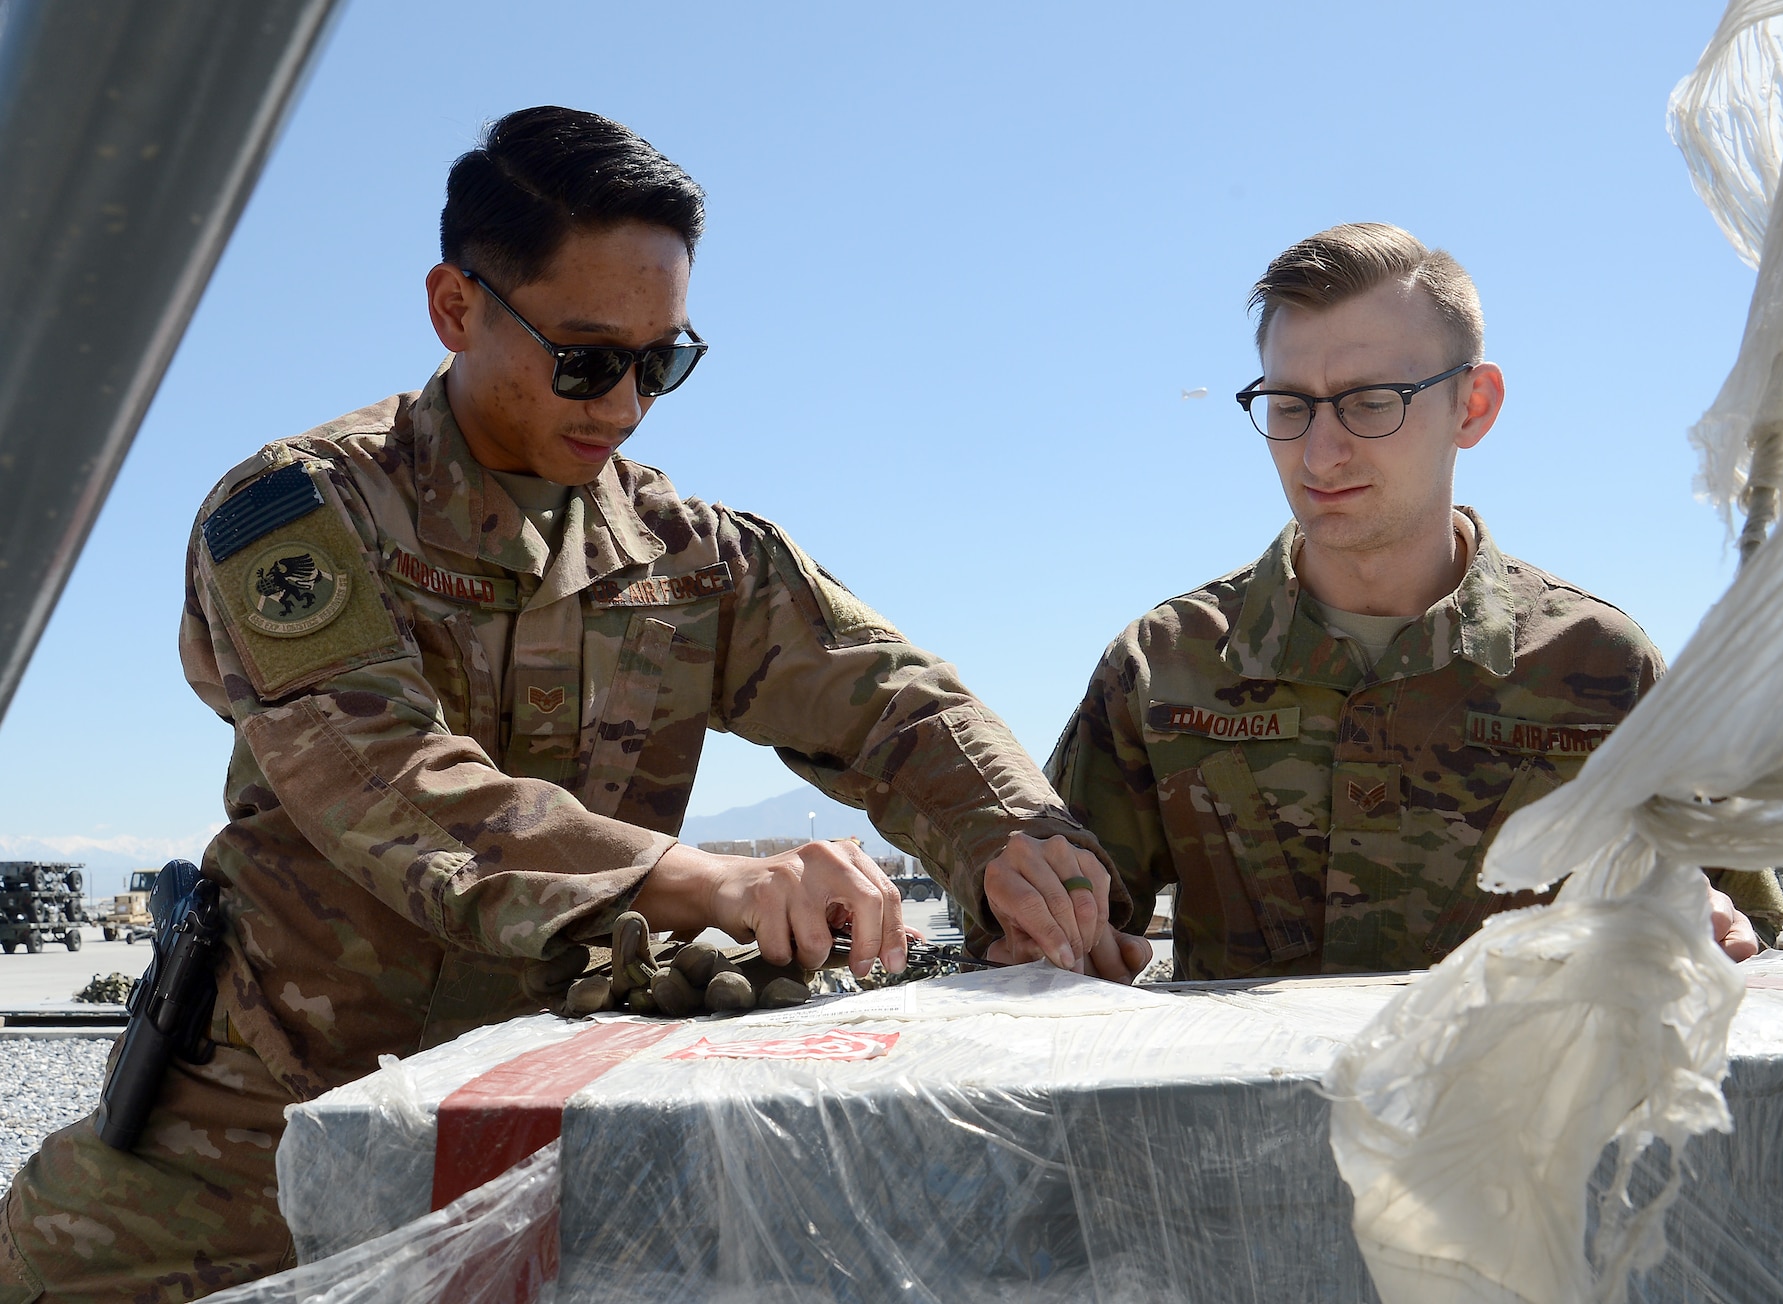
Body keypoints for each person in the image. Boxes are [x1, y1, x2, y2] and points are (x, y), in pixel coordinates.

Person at [0, 106, 1133, 1302]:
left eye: (664, 362)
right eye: (587, 357)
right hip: (261, 1134)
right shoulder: (302, 508)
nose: (627, 402)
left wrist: (1027, 848)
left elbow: (895, 703)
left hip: (553, 1126)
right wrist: (704, 880)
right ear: (455, 306)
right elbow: (382, 776)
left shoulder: (694, 554)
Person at [1030, 222, 1783, 982]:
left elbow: (1745, 932)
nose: (1320, 453)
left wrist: (1711, 934)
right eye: (1290, 405)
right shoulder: (1166, 666)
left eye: (1369, 402)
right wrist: (1052, 934)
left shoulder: (1602, 669)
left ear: (1473, 406)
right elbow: (1046, 929)